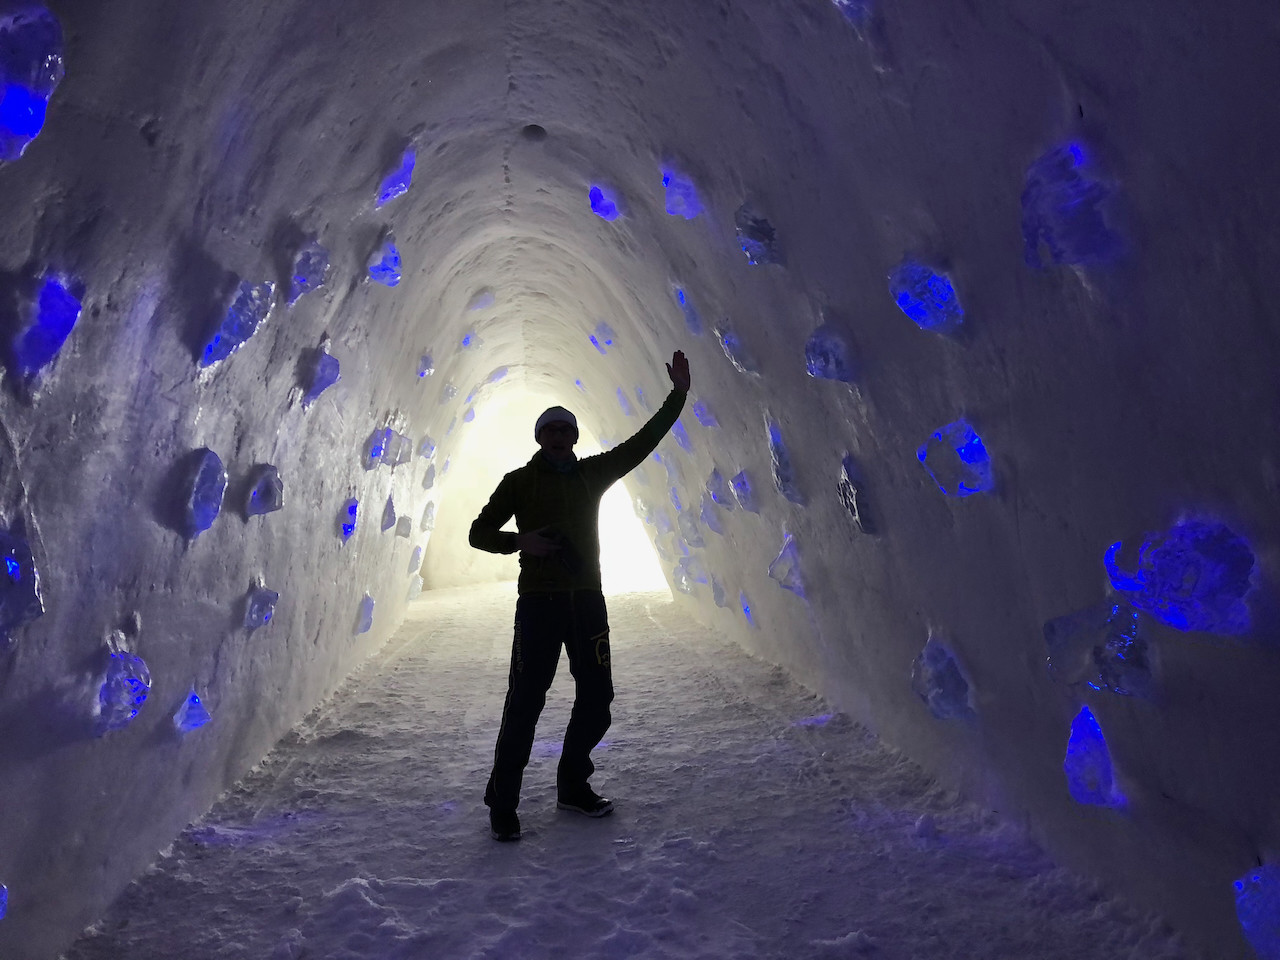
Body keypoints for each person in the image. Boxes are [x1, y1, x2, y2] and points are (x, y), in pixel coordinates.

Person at [469, 350, 692, 841]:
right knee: (525, 701)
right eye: (550, 430)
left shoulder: (593, 474)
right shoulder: (518, 483)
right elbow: (478, 533)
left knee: (597, 697)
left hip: (587, 601)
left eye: (565, 430)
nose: (558, 436)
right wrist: (520, 541)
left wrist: (677, 396)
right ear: (539, 437)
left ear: (574, 437)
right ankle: (502, 802)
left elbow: (642, 443)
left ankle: (572, 784)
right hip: (539, 604)